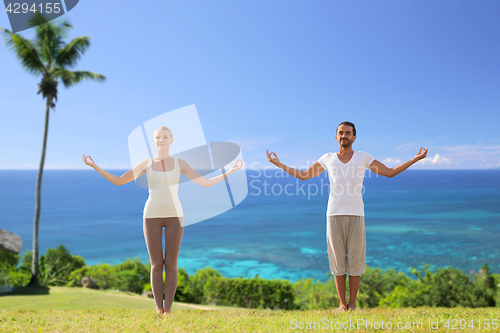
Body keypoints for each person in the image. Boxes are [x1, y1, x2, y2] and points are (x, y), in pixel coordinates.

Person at [266, 121, 428, 312]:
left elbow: (389, 173)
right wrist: (278, 164)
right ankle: (342, 305)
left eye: (348, 133)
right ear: (336, 137)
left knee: (355, 262)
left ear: (354, 137)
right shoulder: (327, 158)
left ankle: (352, 304)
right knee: (337, 262)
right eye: (341, 133)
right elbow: (303, 175)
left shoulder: (363, 157)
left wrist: (415, 159)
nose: (344, 136)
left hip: (356, 215)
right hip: (333, 215)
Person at [83, 126, 243, 316]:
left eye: (165, 136)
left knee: (171, 264)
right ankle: (158, 308)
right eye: (158, 137)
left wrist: (231, 171)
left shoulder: (180, 163)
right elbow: (118, 181)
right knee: (156, 264)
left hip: (175, 216)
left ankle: (168, 309)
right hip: (151, 216)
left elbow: (206, 183)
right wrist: (95, 166)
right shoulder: (146, 164)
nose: (161, 139)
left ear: (171, 140)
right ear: (153, 141)